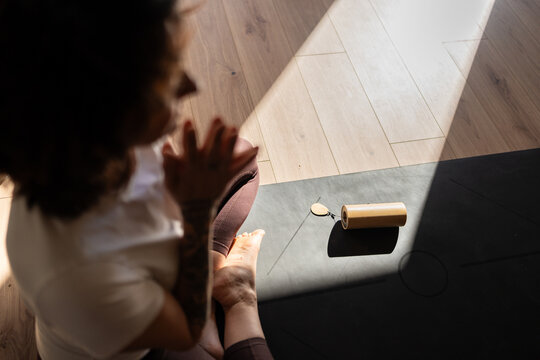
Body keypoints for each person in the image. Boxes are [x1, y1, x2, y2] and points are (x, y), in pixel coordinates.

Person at [0, 0, 273, 359]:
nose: (190, 85)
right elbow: (184, 330)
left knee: (240, 161)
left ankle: (210, 270)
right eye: (162, 80)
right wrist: (195, 210)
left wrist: (181, 190)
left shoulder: (77, 141)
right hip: (148, 346)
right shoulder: (75, 277)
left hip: (143, 283)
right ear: (105, 113)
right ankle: (237, 299)